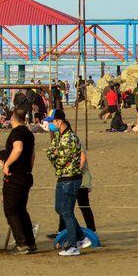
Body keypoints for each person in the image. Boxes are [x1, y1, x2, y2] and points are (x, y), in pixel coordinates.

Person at [45, 109, 90, 257]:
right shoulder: (58, 136)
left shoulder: (69, 138)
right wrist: (56, 156)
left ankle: (74, 245)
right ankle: (80, 237)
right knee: (60, 208)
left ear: (60, 121)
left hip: (71, 178)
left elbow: (61, 161)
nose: (50, 124)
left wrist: (57, 156)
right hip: (62, 177)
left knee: (67, 211)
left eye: (52, 121)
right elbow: (50, 153)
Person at [0, 108, 35, 254]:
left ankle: (21, 243)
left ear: (12, 119)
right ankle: (30, 242)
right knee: (21, 209)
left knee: (11, 209)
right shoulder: (29, 133)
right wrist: (29, 168)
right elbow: (33, 155)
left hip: (16, 176)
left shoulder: (17, 133)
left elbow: (18, 148)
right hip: (26, 174)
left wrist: (7, 164)